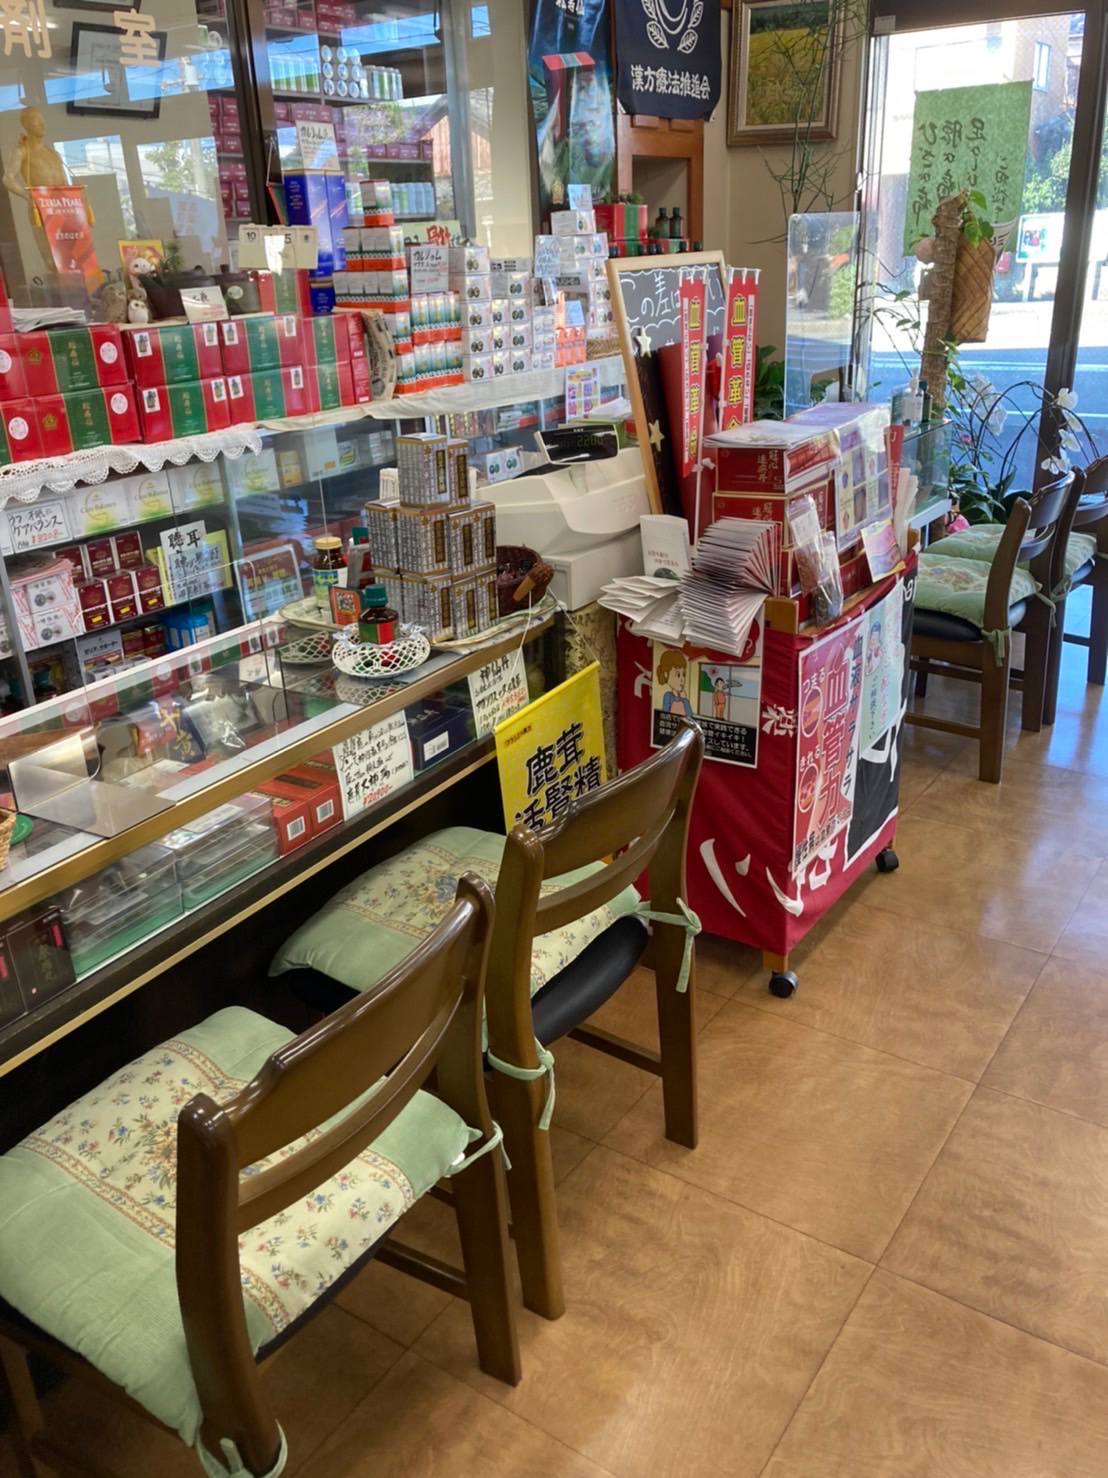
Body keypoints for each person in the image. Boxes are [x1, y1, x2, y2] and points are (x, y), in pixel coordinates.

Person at [657, 648, 694, 718]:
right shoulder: (668, 696)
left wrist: (684, 699)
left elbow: (690, 716)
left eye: (684, 674)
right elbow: (665, 715)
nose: (682, 679)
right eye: (678, 675)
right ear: (666, 675)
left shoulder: (685, 700)